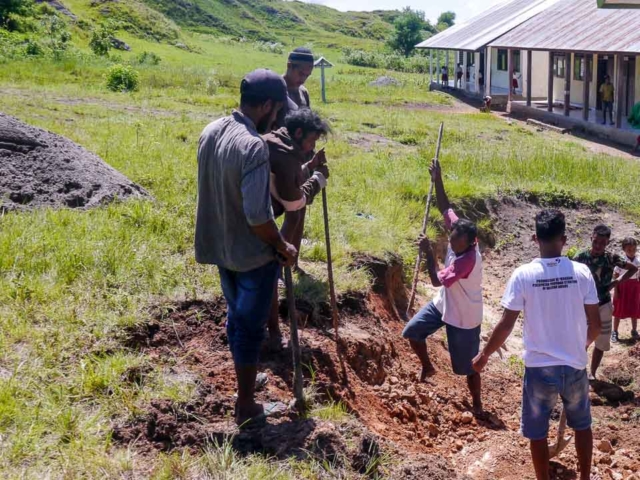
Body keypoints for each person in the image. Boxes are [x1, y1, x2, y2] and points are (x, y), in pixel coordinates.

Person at [195, 69, 297, 425]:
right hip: (251, 254)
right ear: (267, 106)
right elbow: (257, 216)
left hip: (221, 246)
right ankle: (247, 407)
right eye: (277, 111)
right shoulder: (253, 146)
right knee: (250, 327)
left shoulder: (211, 131)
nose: (277, 119)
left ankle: (245, 381)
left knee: (236, 317)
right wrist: (283, 244)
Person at [473, 209, 601, 480]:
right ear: (564, 239)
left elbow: (506, 325)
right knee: (583, 426)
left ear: (535, 238)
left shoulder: (523, 275)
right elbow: (596, 325)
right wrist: (581, 346)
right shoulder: (581, 272)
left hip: (540, 369)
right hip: (575, 366)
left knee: (538, 433)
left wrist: (484, 355)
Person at [402, 160, 484, 414]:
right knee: (412, 332)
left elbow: (437, 279)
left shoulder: (467, 260)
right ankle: (427, 367)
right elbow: (445, 206)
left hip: (464, 316)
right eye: (452, 236)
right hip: (444, 303)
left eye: (457, 240)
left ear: (471, 242)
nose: (452, 241)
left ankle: (477, 403)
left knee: (468, 367)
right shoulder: (459, 231)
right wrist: (438, 178)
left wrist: (428, 253)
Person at [263, 108, 331, 347]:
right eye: (311, 141)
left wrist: (310, 167)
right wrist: (318, 179)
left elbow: (285, 178)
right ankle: (272, 334)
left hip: (251, 218)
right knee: (268, 274)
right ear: (299, 132)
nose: (310, 147)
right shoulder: (285, 153)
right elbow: (294, 201)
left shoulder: (275, 140)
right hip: (260, 225)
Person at [574, 224, 637, 379]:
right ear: (591, 238)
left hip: (603, 303)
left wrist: (615, 283)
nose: (598, 246)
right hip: (583, 306)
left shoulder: (611, 258)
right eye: (596, 242)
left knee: (601, 341)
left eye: (602, 243)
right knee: (581, 339)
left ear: (607, 243)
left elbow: (633, 268)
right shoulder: (580, 257)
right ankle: (578, 371)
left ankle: (593, 373)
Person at [276, 47, 314, 128]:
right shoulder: (275, 88)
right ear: (289, 66)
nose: (303, 80)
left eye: (307, 75)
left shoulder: (304, 92)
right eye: (301, 74)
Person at [612, 237, 640, 343]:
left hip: (634, 288)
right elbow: (616, 276)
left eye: (634, 249)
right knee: (618, 309)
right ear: (624, 249)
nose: (632, 252)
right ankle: (614, 332)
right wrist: (616, 291)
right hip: (622, 287)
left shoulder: (638, 261)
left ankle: (634, 331)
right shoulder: (621, 261)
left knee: (634, 309)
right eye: (629, 250)